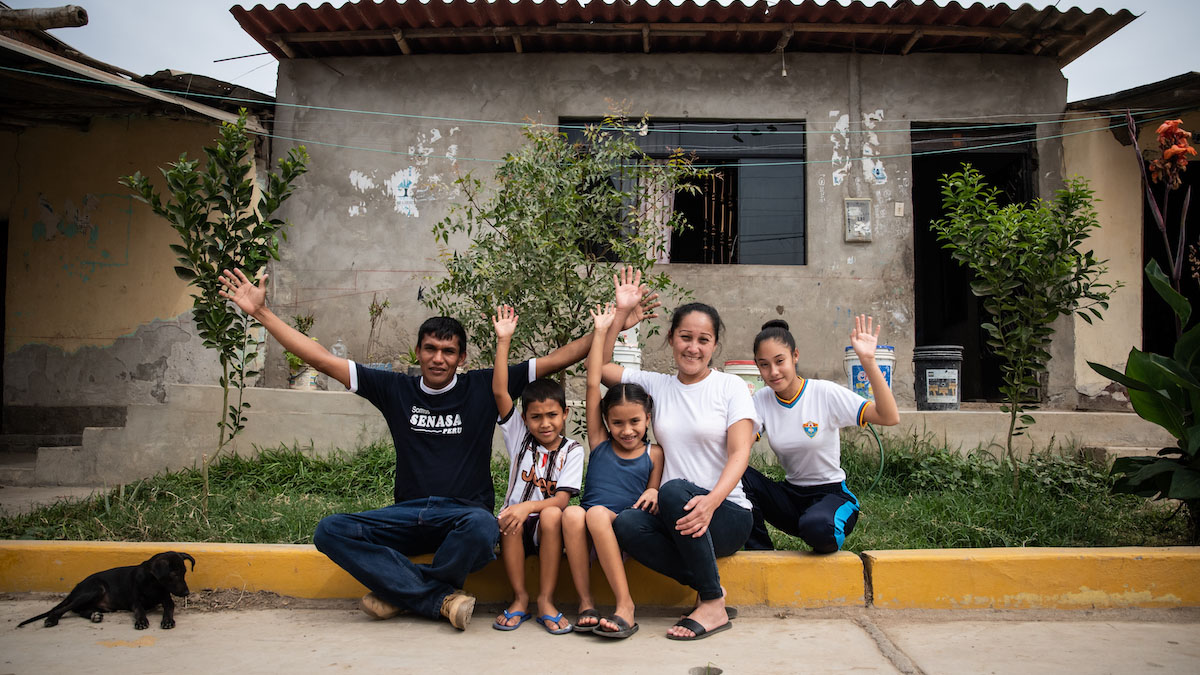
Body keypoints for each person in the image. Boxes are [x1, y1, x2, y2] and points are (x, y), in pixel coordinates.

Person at [216, 267, 657, 630]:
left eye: (448, 351)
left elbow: (564, 357)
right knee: (329, 531)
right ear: (418, 351)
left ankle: (402, 593)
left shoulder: (483, 387)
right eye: (430, 349)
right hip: (407, 515)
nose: (438, 358)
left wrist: (616, 322)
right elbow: (320, 359)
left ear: (462, 357)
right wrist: (262, 313)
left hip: (463, 518)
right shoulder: (394, 388)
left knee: (484, 528)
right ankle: (436, 597)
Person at [601, 269, 759, 641]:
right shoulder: (656, 386)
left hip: (726, 514)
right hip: (677, 514)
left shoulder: (731, 387)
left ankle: (711, 604)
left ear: (714, 345)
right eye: (685, 337)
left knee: (672, 491)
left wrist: (710, 502)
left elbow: (740, 453)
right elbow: (603, 367)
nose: (693, 348)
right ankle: (712, 587)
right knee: (627, 524)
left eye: (703, 340)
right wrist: (622, 316)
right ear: (671, 338)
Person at [742, 316, 900, 553]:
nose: (773, 372)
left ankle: (821, 524)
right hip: (791, 498)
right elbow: (739, 445)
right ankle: (760, 555)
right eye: (764, 365)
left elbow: (889, 417)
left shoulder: (824, 393)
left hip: (831, 495)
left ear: (795, 356)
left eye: (780, 361)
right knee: (738, 475)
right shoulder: (761, 400)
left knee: (817, 529)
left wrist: (868, 361)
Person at [562, 302, 663, 640]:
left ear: (647, 418)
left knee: (593, 514)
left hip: (623, 529)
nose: (627, 430)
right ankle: (586, 603)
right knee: (573, 514)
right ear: (606, 421)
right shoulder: (600, 443)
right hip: (590, 528)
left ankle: (625, 604)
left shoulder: (654, 453)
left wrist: (654, 490)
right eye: (617, 423)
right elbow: (593, 384)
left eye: (635, 421)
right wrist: (603, 330)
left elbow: (653, 492)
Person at [490, 305, 584, 634]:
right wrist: (504, 341)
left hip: (547, 528)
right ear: (525, 419)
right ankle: (520, 598)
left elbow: (561, 500)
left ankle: (545, 600)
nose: (545, 424)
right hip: (514, 527)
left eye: (552, 415)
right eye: (536, 417)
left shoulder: (573, 450)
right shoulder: (519, 437)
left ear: (565, 414)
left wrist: (527, 506)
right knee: (509, 516)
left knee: (552, 514)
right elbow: (500, 391)